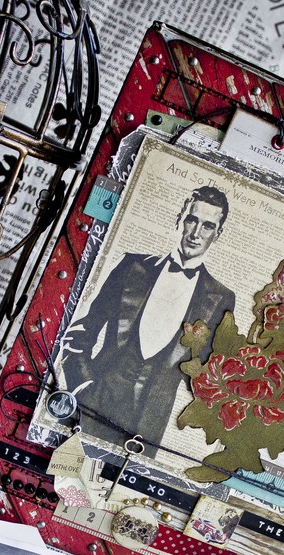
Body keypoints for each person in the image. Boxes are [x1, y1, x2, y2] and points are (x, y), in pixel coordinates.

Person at [61, 186, 235, 448]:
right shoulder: (131, 266)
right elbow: (81, 332)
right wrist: (82, 386)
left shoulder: (221, 297)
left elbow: (206, 373)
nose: (196, 233)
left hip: (148, 428)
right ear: (179, 219)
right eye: (192, 220)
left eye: (208, 226)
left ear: (217, 234)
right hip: (92, 405)